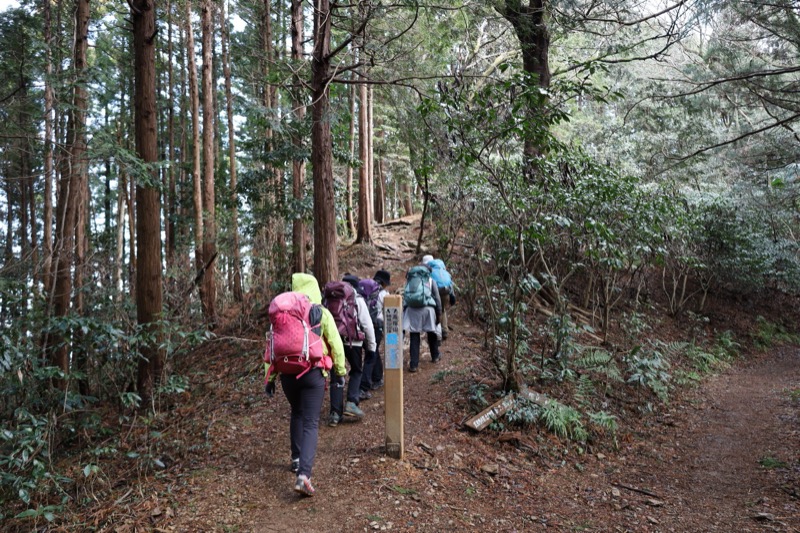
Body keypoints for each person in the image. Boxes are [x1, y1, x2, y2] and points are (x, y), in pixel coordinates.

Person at [265, 272, 346, 497]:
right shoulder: (320, 312)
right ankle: (304, 475)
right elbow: (336, 345)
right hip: (312, 372)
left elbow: (271, 345)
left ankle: (296, 457)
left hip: (287, 375)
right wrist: (339, 371)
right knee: (311, 422)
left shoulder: (281, 314)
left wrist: (270, 378)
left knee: (296, 413)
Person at [328, 273, 376, 425]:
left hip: (333, 341)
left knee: (336, 374)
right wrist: (372, 346)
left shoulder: (330, 299)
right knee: (356, 370)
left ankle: (335, 413)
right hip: (352, 341)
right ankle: (351, 402)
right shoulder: (357, 299)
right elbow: (367, 325)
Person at [402, 260, 442, 372]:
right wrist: (439, 313)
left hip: (412, 310)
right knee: (431, 332)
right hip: (428, 309)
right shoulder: (430, 280)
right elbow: (437, 298)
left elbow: (406, 296)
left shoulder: (411, 279)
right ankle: (435, 356)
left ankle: (414, 364)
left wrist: (404, 311)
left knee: (414, 335)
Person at [362, 269, 391, 391]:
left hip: (363, 325)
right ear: (384, 283)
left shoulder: (365, 291)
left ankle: (376, 377)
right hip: (376, 326)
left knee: (372, 351)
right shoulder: (384, 294)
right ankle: (374, 379)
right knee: (372, 352)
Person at [424, 256, 455, 341]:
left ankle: (436, 334)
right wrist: (452, 296)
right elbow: (451, 283)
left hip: (436, 292)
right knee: (443, 310)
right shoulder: (443, 270)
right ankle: (444, 331)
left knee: (435, 311)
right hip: (446, 292)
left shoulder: (429, 271)